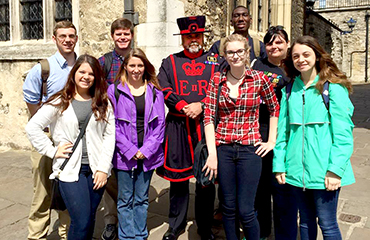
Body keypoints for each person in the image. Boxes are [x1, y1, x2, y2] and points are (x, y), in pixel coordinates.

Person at [25, 54, 116, 240]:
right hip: (70, 170)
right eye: (82, 71)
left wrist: (103, 169)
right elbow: (33, 127)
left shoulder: (102, 102)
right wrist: (52, 150)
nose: (86, 76)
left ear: (96, 77)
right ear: (74, 73)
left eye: (91, 73)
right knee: (81, 221)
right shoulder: (60, 100)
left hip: (95, 170)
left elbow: (109, 136)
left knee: (89, 219)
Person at [273, 35, 355, 240]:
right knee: (306, 222)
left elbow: (343, 135)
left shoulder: (333, 88)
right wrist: (279, 165)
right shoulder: (289, 90)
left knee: (327, 224)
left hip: (324, 171)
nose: (301, 59)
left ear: (317, 56)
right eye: (296, 56)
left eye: (306, 54)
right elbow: (282, 133)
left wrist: (335, 170)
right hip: (295, 171)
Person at [203, 33, 279, 240]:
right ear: (224, 55)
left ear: (246, 53)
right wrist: (212, 154)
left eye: (239, 51)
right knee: (228, 207)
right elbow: (208, 117)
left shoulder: (259, 79)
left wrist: (271, 140)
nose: (235, 56)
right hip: (224, 149)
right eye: (230, 52)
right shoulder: (216, 80)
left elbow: (274, 109)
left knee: (246, 209)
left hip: (250, 149)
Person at [155, 15, 224, 240]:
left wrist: (202, 105)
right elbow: (162, 88)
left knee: (205, 180)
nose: (193, 39)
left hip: (206, 128)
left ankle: (204, 227)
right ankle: (175, 225)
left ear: (203, 36)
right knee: (178, 181)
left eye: (197, 35)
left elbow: (224, 88)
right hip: (178, 126)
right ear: (183, 38)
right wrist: (183, 105)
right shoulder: (170, 62)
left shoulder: (216, 61)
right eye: (189, 36)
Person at [22, 20, 78, 240]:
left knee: (69, 190)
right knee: (43, 192)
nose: (67, 40)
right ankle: (37, 236)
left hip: (73, 138)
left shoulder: (82, 65)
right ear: (55, 39)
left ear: (76, 38)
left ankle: (67, 234)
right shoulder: (43, 69)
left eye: (71, 36)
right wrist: (46, 128)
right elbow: (31, 102)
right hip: (47, 137)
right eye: (62, 36)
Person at [107, 48, 165, 240]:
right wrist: (130, 150)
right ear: (125, 66)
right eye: (132, 65)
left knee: (141, 199)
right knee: (124, 199)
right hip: (123, 155)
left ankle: (140, 235)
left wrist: (146, 150)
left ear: (145, 67)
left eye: (140, 65)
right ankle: (126, 236)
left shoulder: (155, 92)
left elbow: (160, 126)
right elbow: (111, 124)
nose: (136, 69)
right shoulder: (114, 90)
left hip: (148, 155)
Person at [251, 26, 298, 240]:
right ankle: (262, 232)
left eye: (279, 42)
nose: (274, 46)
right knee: (260, 189)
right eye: (270, 42)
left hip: (284, 137)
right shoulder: (256, 65)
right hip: (258, 135)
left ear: (287, 44)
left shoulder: (293, 70)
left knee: (282, 190)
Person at [98, 17, 134, 240]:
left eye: (126, 34)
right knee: (110, 174)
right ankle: (111, 220)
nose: (122, 37)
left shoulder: (137, 59)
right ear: (113, 36)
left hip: (133, 127)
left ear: (131, 36)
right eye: (118, 34)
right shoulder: (104, 61)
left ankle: (130, 215)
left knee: (130, 171)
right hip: (110, 125)